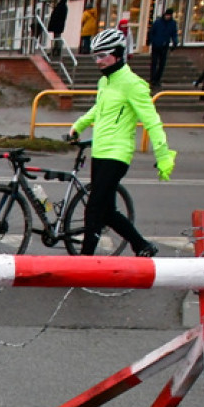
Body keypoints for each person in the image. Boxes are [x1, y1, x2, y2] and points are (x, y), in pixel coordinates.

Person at [68, 28, 177, 258]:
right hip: (100, 151)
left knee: (94, 208)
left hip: (117, 154)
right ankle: (142, 245)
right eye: (94, 56)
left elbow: (152, 121)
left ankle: (84, 262)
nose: (97, 61)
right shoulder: (105, 82)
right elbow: (99, 109)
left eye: (102, 55)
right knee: (107, 211)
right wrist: (78, 125)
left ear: (118, 53)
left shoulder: (133, 84)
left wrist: (163, 154)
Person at [147, 8, 178, 87]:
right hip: (156, 45)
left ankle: (157, 79)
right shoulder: (158, 22)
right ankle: (153, 79)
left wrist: (175, 43)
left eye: (169, 15)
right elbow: (152, 32)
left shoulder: (172, 23)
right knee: (154, 62)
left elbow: (174, 34)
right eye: (167, 15)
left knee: (162, 64)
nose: (168, 17)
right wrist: (151, 41)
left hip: (164, 45)